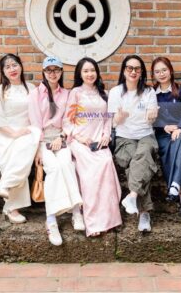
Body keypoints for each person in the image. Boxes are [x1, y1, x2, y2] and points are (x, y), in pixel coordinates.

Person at [63, 57, 122, 237]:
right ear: (80, 74)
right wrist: (79, 137)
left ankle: (109, 219)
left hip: (99, 141)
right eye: (86, 71)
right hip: (79, 140)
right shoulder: (76, 92)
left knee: (106, 162)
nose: (90, 74)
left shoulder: (103, 93)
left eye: (92, 70)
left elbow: (108, 119)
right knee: (90, 172)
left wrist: (106, 135)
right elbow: (68, 119)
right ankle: (94, 222)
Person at [29, 56, 84, 245]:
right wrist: (38, 148)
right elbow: (35, 122)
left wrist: (61, 137)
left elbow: (70, 120)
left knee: (67, 164)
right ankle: (51, 220)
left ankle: (76, 212)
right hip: (43, 139)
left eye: (56, 70)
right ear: (43, 72)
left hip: (61, 138)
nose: (52, 74)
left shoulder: (67, 94)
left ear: (61, 72)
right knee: (53, 168)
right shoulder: (36, 94)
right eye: (49, 70)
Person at [0, 54, 40, 224]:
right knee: (18, 154)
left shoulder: (31, 88)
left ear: (21, 66)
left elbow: (37, 114)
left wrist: (21, 133)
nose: (12, 69)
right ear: (3, 71)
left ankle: (6, 185)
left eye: (15, 65)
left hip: (24, 131)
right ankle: (12, 207)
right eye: (7, 67)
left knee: (26, 143)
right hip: (1, 134)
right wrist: (13, 134)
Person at [108, 55, 159, 233]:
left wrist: (152, 116)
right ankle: (144, 213)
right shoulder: (115, 92)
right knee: (138, 162)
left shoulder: (149, 92)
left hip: (145, 135)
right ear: (124, 71)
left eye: (137, 68)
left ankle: (132, 196)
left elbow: (151, 117)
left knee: (142, 155)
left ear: (142, 72)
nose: (133, 71)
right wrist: (118, 118)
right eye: (129, 68)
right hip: (124, 138)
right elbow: (112, 122)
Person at [151, 57, 181, 224]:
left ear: (170, 70)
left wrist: (179, 127)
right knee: (172, 148)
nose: (161, 74)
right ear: (153, 75)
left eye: (164, 70)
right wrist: (164, 126)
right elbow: (150, 117)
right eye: (157, 71)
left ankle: (175, 185)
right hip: (163, 134)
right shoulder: (151, 93)